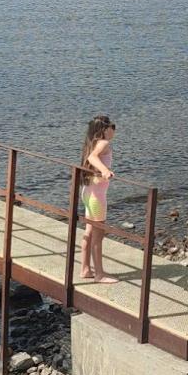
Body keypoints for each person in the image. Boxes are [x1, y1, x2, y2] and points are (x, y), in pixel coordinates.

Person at [79, 115, 118, 284]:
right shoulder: (103, 143)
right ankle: (99, 274)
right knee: (98, 234)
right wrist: (105, 170)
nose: (114, 130)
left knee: (89, 231)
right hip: (97, 196)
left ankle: (85, 269)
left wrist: (101, 170)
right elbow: (92, 158)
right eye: (113, 126)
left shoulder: (91, 143)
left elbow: (90, 157)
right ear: (104, 129)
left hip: (87, 191)